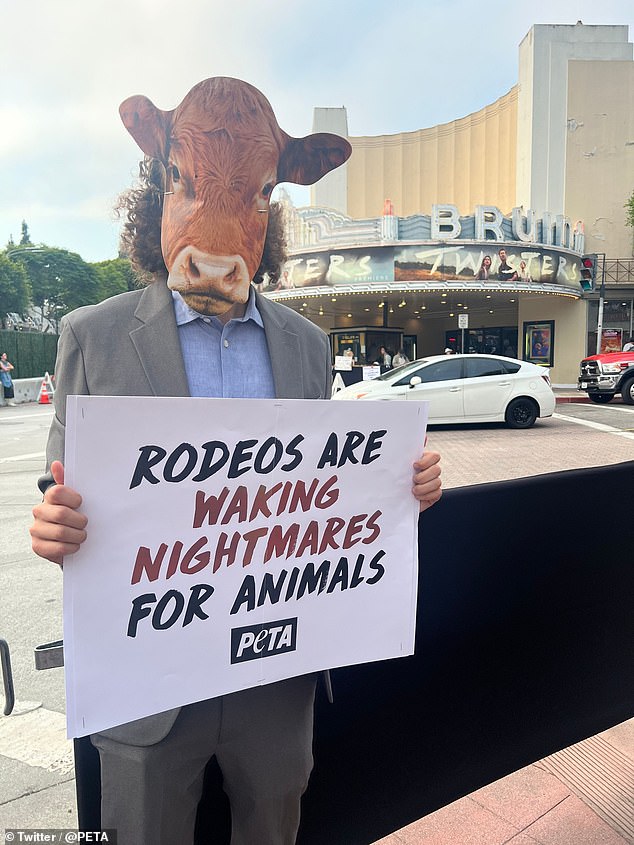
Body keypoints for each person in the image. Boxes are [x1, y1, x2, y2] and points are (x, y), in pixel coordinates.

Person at [29, 76, 443, 845]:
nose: (218, 233)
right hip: (147, 685)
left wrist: (399, 486)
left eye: (252, 194)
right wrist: (55, 525)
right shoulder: (92, 334)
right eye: (187, 182)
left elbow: (319, 495)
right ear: (160, 188)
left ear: (273, 205)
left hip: (272, 672)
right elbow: (64, 484)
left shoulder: (306, 344)